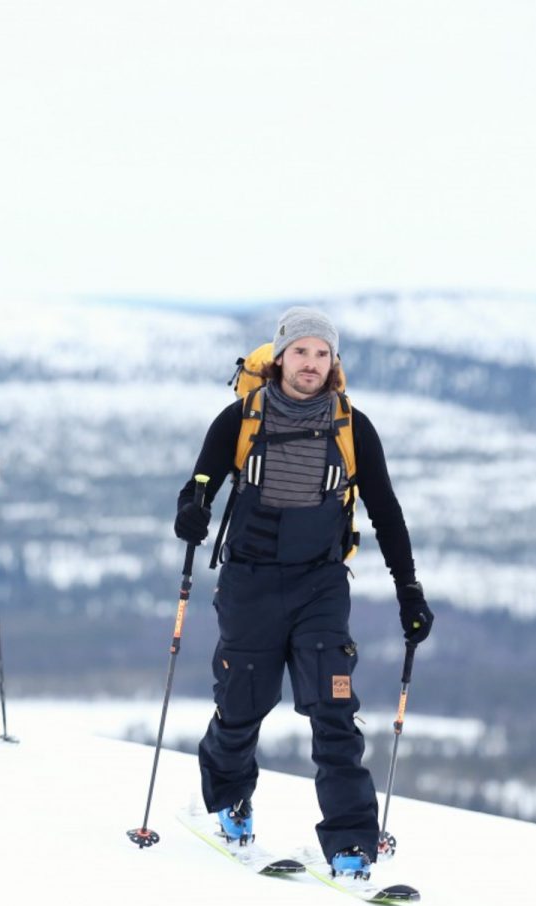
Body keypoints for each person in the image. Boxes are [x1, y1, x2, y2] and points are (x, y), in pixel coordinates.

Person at [174, 306, 434, 877]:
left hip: (320, 584)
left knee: (334, 711)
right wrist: (190, 511)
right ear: (280, 357)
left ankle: (350, 842)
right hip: (250, 582)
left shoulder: (353, 426)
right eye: (301, 352)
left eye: (322, 353)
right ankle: (227, 797)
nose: (311, 363)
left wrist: (408, 590)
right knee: (242, 706)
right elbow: (198, 486)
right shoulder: (240, 418)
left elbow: (387, 514)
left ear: (334, 362)